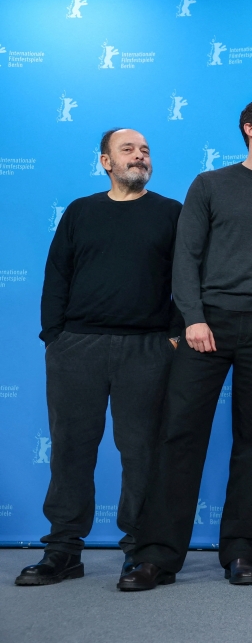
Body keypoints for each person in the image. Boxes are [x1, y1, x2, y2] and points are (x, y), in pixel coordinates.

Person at [118, 99, 252, 591]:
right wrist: (194, 318)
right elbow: (185, 257)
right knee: (180, 436)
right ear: (251, 130)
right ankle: (156, 556)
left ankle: (242, 554)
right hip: (208, 326)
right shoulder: (210, 185)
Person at [16, 129, 181, 586]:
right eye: (128, 150)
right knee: (70, 449)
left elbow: (187, 278)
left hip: (147, 348)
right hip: (77, 348)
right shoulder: (81, 211)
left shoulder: (171, 213)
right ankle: (64, 551)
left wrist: (172, 337)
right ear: (105, 161)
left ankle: (140, 551)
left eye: (146, 150)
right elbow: (57, 274)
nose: (140, 156)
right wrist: (55, 337)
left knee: (142, 452)